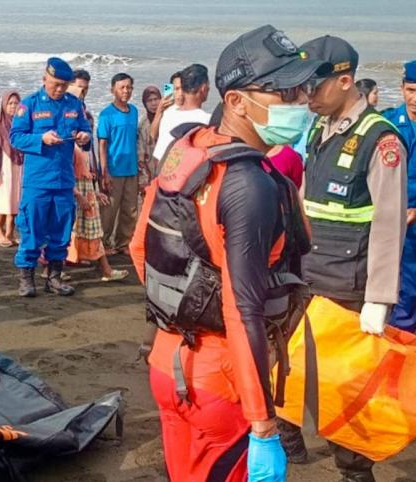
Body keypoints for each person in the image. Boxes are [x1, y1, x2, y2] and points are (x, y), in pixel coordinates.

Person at [131, 25, 325, 482]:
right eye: (284, 91)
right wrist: (262, 425)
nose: (301, 102)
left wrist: (184, 310)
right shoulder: (250, 183)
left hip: (168, 361)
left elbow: (141, 246)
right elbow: (243, 309)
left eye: (302, 88)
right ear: (237, 101)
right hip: (222, 384)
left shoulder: (188, 149)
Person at [275, 36, 409, 481]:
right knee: (288, 370)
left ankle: (355, 471)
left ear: (345, 80)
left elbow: (390, 223)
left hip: (349, 290)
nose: (305, 96)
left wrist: (379, 297)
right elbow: (305, 201)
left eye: (313, 87)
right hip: (307, 278)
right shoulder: (319, 129)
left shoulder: (380, 140)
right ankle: (289, 443)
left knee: (343, 392)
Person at [10, 57, 92, 297]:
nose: (59, 89)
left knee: (61, 231)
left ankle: (54, 277)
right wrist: (40, 139)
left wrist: (84, 137)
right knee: (32, 230)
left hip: (64, 180)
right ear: (44, 78)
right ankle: (26, 279)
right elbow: (15, 137)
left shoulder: (74, 105)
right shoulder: (30, 105)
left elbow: (86, 130)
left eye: (64, 86)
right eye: (55, 84)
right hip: (38, 181)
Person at [68, 110, 129, 282]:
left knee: (90, 232)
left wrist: (94, 193)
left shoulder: (86, 148)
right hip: (75, 195)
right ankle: (53, 269)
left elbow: (87, 176)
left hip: (85, 194)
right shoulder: (70, 149)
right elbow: (65, 175)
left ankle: (105, 269)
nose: (87, 133)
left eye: (90, 128)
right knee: (70, 232)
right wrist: (79, 195)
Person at [383, 60, 416, 331]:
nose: (415, 99)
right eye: (411, 90)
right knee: (399, 293)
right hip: (394, 222)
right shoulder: (387, 124)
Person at [98, 72, 140, 255]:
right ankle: (104, 243)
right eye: (122, 87)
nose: (126, 91)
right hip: (113, 170)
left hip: (131, 169)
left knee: (130, 210)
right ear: (112, 89)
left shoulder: (134, 111)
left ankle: (123, 243)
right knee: (109, 210)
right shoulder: (106, 114)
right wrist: (104, 171)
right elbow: (102, 144)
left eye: (129, 87)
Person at [0, 90, 24, 247]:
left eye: (16, 103)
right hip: (2, 168)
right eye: (10, 103)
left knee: (15, 201)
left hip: (18, 167)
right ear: (4, 105)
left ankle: (10, 232)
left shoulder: (21, 124)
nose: (13, 106)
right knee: (3, 202)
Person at [152, 64, 211, 162]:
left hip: (164, 174)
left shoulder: (168, 115)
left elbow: (159, 155)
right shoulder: (207, 120)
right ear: (204, 88)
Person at [149, 72, 183, 146]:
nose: (180, 93)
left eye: (183, 88)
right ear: (171, 90)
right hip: (165, 154)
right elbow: (152, 135)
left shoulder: (193, 110)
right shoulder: (165, 110)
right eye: (176, 89)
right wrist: (159, 111)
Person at [137, 86, 161, 191]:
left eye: (156, 99)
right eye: (149, 100)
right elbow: (140, 150)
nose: (153, 103)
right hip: (149, 167)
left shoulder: (168, 118)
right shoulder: (143, 123)